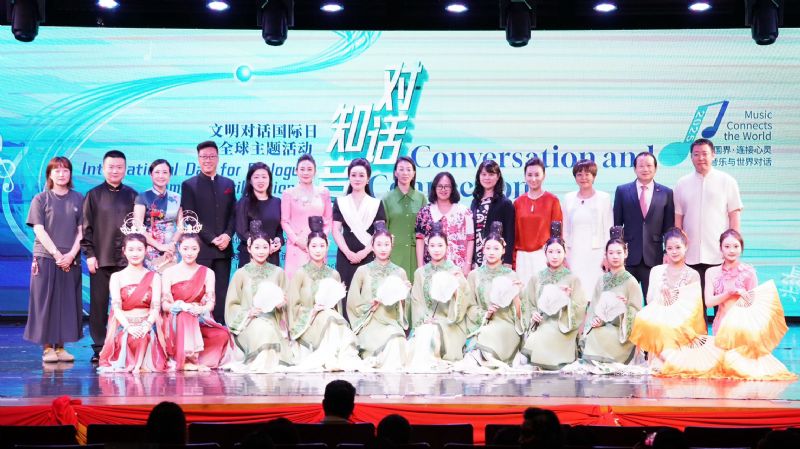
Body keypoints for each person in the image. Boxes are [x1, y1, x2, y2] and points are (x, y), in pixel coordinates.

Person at [25, 157, 83, 363]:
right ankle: (47, 348)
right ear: (49, 174)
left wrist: (71, 255)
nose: (61, 174)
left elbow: (81, 231)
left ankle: (60, 348)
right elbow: (39, 229)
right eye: (56, 170)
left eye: (65, 170)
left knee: (66, 302)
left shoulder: (78, 198)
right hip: (46, 257)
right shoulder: (41, 199)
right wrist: (57, 255)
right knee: (45, 302)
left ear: (70, 174)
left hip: (71, 258)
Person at [82, 150, 138, 363]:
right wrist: (89, 254)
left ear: (125, 169)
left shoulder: (133, 196)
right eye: (111, 167)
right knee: (98, 306)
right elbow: (85, 227)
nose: (115, 171)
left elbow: (137, 229)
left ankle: (126, 346)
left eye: (119, 167)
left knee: (127, 305)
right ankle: (99, 348)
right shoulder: (93, 195)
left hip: (127, 262)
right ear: (103, 169)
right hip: (101, 259)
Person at [289, 217, 363, 371]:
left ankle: (335, 356)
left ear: (328, 247)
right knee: (330, 318)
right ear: (307, 248)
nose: (318, 250)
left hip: (330, 320)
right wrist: (312, 311)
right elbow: (292, 308)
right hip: (308, 324)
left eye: (322, 246)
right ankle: (330, 357)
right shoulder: (300, 273)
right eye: (314, 246)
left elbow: (338, 310)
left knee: (331, 317)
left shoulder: (334, 274)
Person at [674, 138, 743, 300]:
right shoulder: (682, 183)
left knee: (723, 302)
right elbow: (678, 219)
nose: (701, 158)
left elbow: (734, 216)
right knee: (695, 303)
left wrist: (732, 247)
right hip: (691, 255)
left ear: (713, 155)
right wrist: (679, 248)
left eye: (705, 153)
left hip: (719, 254)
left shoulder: (727, 181)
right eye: (696, 154)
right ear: (691, 157)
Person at [629, 228, 703, 369]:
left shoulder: (693, 274)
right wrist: (661, 294)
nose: (674, 251)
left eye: (678, 247)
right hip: (659, 319)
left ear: (686, 246)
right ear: (665, 250)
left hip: (681, 323)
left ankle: (673, 363)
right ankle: (660, 362)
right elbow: (650, 300)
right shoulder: (656, 271)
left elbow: (695, 308)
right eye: (669, 248)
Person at [180, 140, 236, 324]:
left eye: (212, 156)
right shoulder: (189, 185)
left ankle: (220, 329)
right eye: (204, 156)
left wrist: (227, 235)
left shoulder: (228, 183)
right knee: (200, 293)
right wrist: (212, 239)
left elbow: (233, 214)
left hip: (224, 249)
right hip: (202, 249)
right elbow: (190, 217)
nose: (208, 160)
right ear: (198, 159)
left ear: (218, 158)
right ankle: (198, 332)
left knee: (221, 293)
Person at [161, 233, 235, 371]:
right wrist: (181, 306)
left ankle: (201, 360)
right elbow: (165, 305)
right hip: (176, 319)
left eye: (194, 249)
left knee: (222, 335)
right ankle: (187, 359)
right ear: (179, 248)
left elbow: (210, 304)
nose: (189, 253)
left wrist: (200, 309)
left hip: (200, 318)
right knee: (186, 315)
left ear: (199, 249)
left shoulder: (208, 272)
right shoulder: (169, 272)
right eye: (185, 248)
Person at [407, 224, 474, 372]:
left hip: (449, 323)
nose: (436, 249)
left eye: (440, 245)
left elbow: (465, 300)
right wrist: (425, 318)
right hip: (426, 321)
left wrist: (457, 287)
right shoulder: (420, 273)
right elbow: (416, 302)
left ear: (447, 247)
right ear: (427, 247)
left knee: (429, 335)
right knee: (424, 333)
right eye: (432, 246)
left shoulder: (455, 271)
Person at [225, 223, 291, 373]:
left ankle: (267, 362)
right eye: (257, 247)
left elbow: (288, 302)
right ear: (249, 249)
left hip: (272, 321)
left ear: (270, 248)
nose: (261, 251)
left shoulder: (278, 272)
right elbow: (231, 305)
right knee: (263, 328)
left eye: (264, 247)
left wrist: (282, 305)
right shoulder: (241, 274)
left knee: (268, 328)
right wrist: (247, 313)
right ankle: (260, 362)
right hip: (248, 323)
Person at [98, 233, 168, 373]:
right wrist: (129, 327)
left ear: (146, 250)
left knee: (143, 338)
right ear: (124, 251)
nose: (135, 254)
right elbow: (116, 309)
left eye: (139, 249)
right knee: (132, 339)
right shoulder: (117, 277)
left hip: (146, 327)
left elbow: (155, 307)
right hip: (125, 327)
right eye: (131, 249)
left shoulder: (154, 277)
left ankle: (140, 364)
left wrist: (146, 325)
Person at [459, 222, 523, 372]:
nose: (491, 252)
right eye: (488, 248)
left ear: (503, 250)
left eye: (496, 248)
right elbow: (469, 306)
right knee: (483, 334)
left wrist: (515, 295)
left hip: (506, 323)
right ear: (483, 249)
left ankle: (488, 358)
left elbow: (521, 312)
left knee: (487, 334)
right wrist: (485, 314)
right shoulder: (474, 275)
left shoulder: (511, 275)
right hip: (481, 323)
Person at [347, 221, 410, 371]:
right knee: (388, 343)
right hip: (369, 323)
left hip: (391, 323)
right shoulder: (362, 271)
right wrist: (371, 305)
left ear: (392, 246)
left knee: (396, 339)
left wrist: (405, 295)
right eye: (379, 244)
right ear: (372, 246)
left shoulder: (400, 272)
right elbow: (352, 304)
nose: (383, 248)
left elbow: (404, 310)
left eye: (386, 244)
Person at [521, 229, 587, 370]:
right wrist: (533, 314)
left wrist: (567, 302)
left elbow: (580, 307)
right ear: (545, 253)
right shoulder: (536, 278)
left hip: (563, 326)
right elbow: (527, 302)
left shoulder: (573, 279)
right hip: (542, 323)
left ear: (565, 253)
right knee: (540, 336)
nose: (555, 256)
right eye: (550, 252)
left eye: (558, 251)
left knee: (548, 336)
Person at [613, 151, 674, 298]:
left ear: (655, 168)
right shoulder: (622, 191)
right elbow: (617, 225)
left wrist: (667, 252)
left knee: (654, 300)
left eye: (649, 165)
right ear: (635, 169)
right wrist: (617, 253)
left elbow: (669, 228)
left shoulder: (666, 192)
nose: (645, 169)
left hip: (654, 257)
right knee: (625, 299)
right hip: (628, 257)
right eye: (641, 166)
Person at [332, 158, 386, 305]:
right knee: (345, 295)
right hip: (345, 255)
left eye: (361, 175)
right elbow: (336, 230)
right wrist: (348, 252)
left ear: (368, 179)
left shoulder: (376, 204)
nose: (357, 179)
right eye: (354, 175)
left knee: (367, 294)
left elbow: (379, 233)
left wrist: (364, 253)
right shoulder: (341, 202)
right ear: (349, 177)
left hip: (368, 255)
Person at [580, 235, 642, 364]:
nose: (615, 256)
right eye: (611, 253)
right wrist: (596, 321)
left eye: (619, 252)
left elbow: (637, 312)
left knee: (606, 336)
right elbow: (593, 308)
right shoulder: (602, 280)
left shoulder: (631, 282)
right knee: (594, 335)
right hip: (602, 327)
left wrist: (625, 308)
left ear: (625, 253)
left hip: (621, 332)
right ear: (606, 255)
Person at [561, 159, 612, 300]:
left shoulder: (604, 198)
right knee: (575, 293)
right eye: (579, 174)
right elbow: (564, 229)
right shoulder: (568, 198)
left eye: (587, 174)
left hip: (597, 254)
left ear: (594, 176)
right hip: (574, 253)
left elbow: (608, 228)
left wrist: (607, 256)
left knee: (596, 293)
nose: (583, 178)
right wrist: (564, 255)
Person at [281, 154, 333, 280]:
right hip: (296, 246)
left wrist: (320, 239)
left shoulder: (324, 192)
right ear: (296, 171)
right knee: (295, 283)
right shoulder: (288, 193)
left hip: (317, 247)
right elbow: (284, 221)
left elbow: (328, 220)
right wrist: (297, 241)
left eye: (309, 169)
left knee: (317, 283)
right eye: (302, 169)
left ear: (315, 171)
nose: (305, 172)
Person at [415, 171, 474, 276]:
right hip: (431, 269)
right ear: (434, 188)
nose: (443, 189)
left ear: (452, 188)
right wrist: (420, 267)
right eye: (440, 186)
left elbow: (470, 240)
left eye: (447, 186)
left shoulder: (465, 212)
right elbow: (420, 241)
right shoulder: (424, 212)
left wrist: (468, 265)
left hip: (458, 269)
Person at [514, 157, 562, 284]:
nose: (533, 179)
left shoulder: (552, 200)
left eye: (537, 175)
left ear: (544, 176)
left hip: (543, 257)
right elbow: (515, 234)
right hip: (522, 258)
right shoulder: (518, 202)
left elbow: (557, 234)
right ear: (525, 177)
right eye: (529, 175)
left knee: (544, 291)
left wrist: (554, 256)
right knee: (523, 292)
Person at [133, 159, 182, 272]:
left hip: (171, 249)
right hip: (150, 249)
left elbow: (181, 226)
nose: (161, 176)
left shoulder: (176, 197)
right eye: (157, 172)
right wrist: (159, 246)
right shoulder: (142, 197)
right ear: (151, 175)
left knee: (170, 280)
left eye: (165, 172)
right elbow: (138, 226)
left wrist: (172, 244)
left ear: (170, 175)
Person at [382, 156, 426, 281]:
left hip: (416, 255)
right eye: (401, 169)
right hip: (394, 254)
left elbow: (425, 230)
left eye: (408, 169)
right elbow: (383, 231)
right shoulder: (386, 199)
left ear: (414, 173)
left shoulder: (421, 198)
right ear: (395, 173)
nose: (405, 173)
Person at [235, 162, 283, 267]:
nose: (261, 180)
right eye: (256, 177)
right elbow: (241, 231)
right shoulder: (244, 202)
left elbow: (279, 230)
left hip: (272, 255)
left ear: (269, 180)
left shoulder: (277, 202)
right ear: (250, 181)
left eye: (264, 177)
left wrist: (279, 241)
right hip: (250, 256)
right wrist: (263, 245)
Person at [471, 160, 515, 269]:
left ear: (498, 176)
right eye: (483, 174)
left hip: (497, 258)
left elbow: (510, 234)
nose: (487, 178)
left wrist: (508, 260)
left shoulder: (505, 203)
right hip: (477, 257)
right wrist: (471, 259)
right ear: (479, 176)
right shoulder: (475, 201)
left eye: (491, 174)